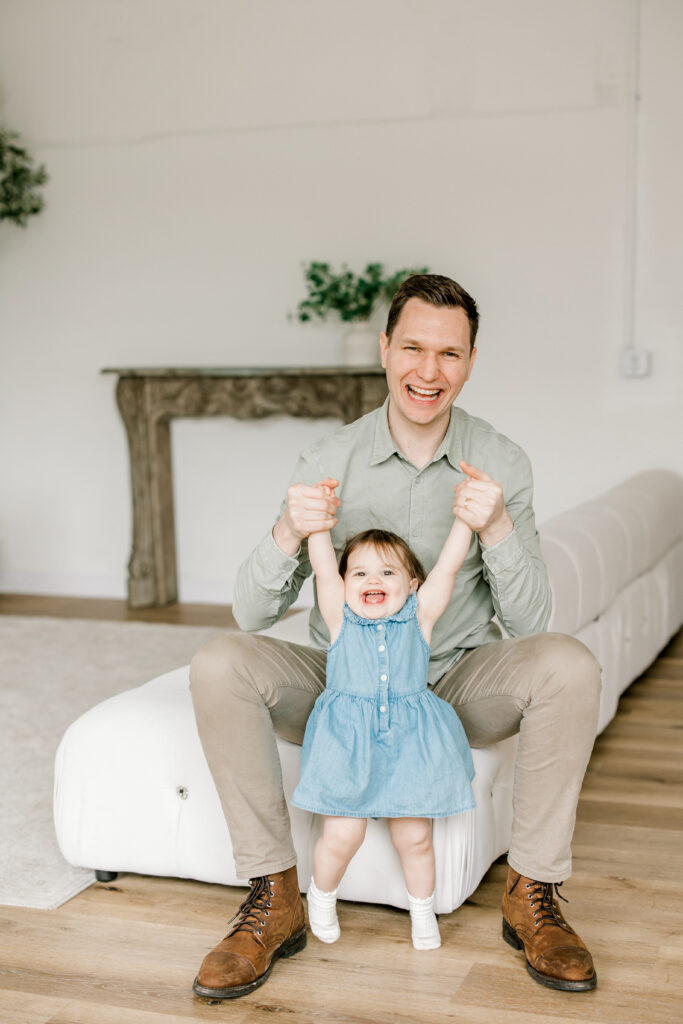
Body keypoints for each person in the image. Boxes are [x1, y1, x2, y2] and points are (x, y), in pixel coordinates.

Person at [190, 274, 602, 1001]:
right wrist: (288, 529)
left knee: (567, 664)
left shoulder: (501, 461)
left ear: (470, 361)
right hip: (341, 684)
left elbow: (531, 623)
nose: (428, 371)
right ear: (384, 349)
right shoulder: (328, 458)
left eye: (448, 354)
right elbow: (250, 614)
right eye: (412, 347)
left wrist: (499, 527)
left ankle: (531, 897)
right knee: (220, 660)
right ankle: (274, 897)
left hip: (451, 685)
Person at [294, 515, 475, 951]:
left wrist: (467, 522)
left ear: (412, 585)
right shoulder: (341, 618)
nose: (372, 579)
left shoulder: (420, 618)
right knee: (342, 834)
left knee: (414, 837)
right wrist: (318, 522)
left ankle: (422, 911)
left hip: (409, 742)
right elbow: (321, 567)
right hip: (345, 741)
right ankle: (321, 897)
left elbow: (448, 567)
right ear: (343, 585)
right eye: (359, 573)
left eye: (387, 572)